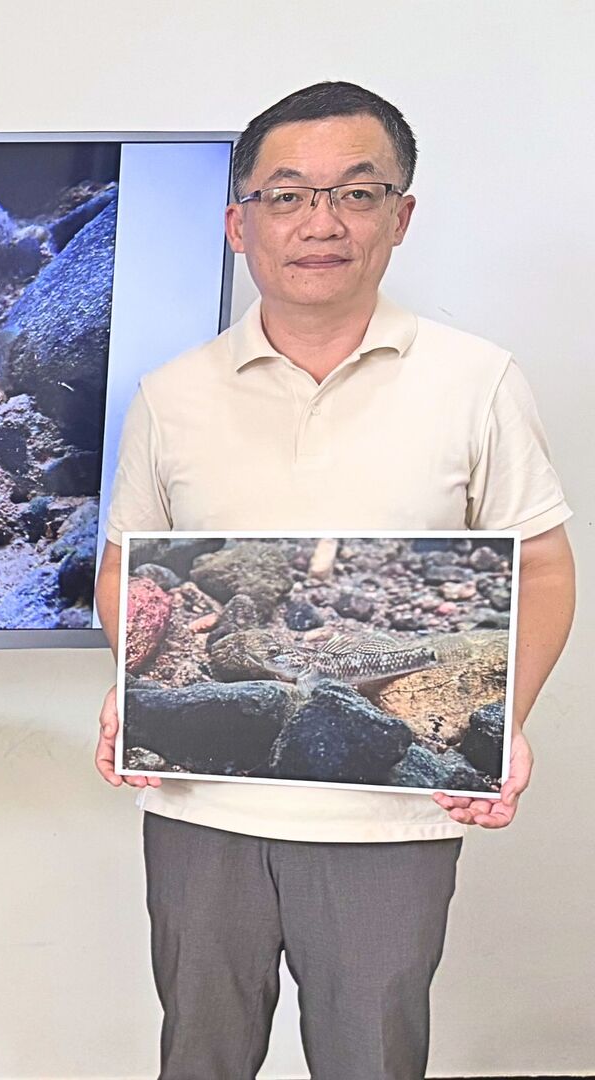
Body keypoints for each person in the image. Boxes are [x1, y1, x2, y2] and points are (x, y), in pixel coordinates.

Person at [94, 81, 577, 1079]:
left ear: (401, 216)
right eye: (286, 195)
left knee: (372, 1057)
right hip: (202, 804)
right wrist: (137, 680)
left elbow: (544, 565)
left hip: (391, 814)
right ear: (239, 222)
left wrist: (503, 716)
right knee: (198, 1054)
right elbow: (122, 565)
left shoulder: (475, 379)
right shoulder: (172, 394)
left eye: (358, 193)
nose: (321, 221)